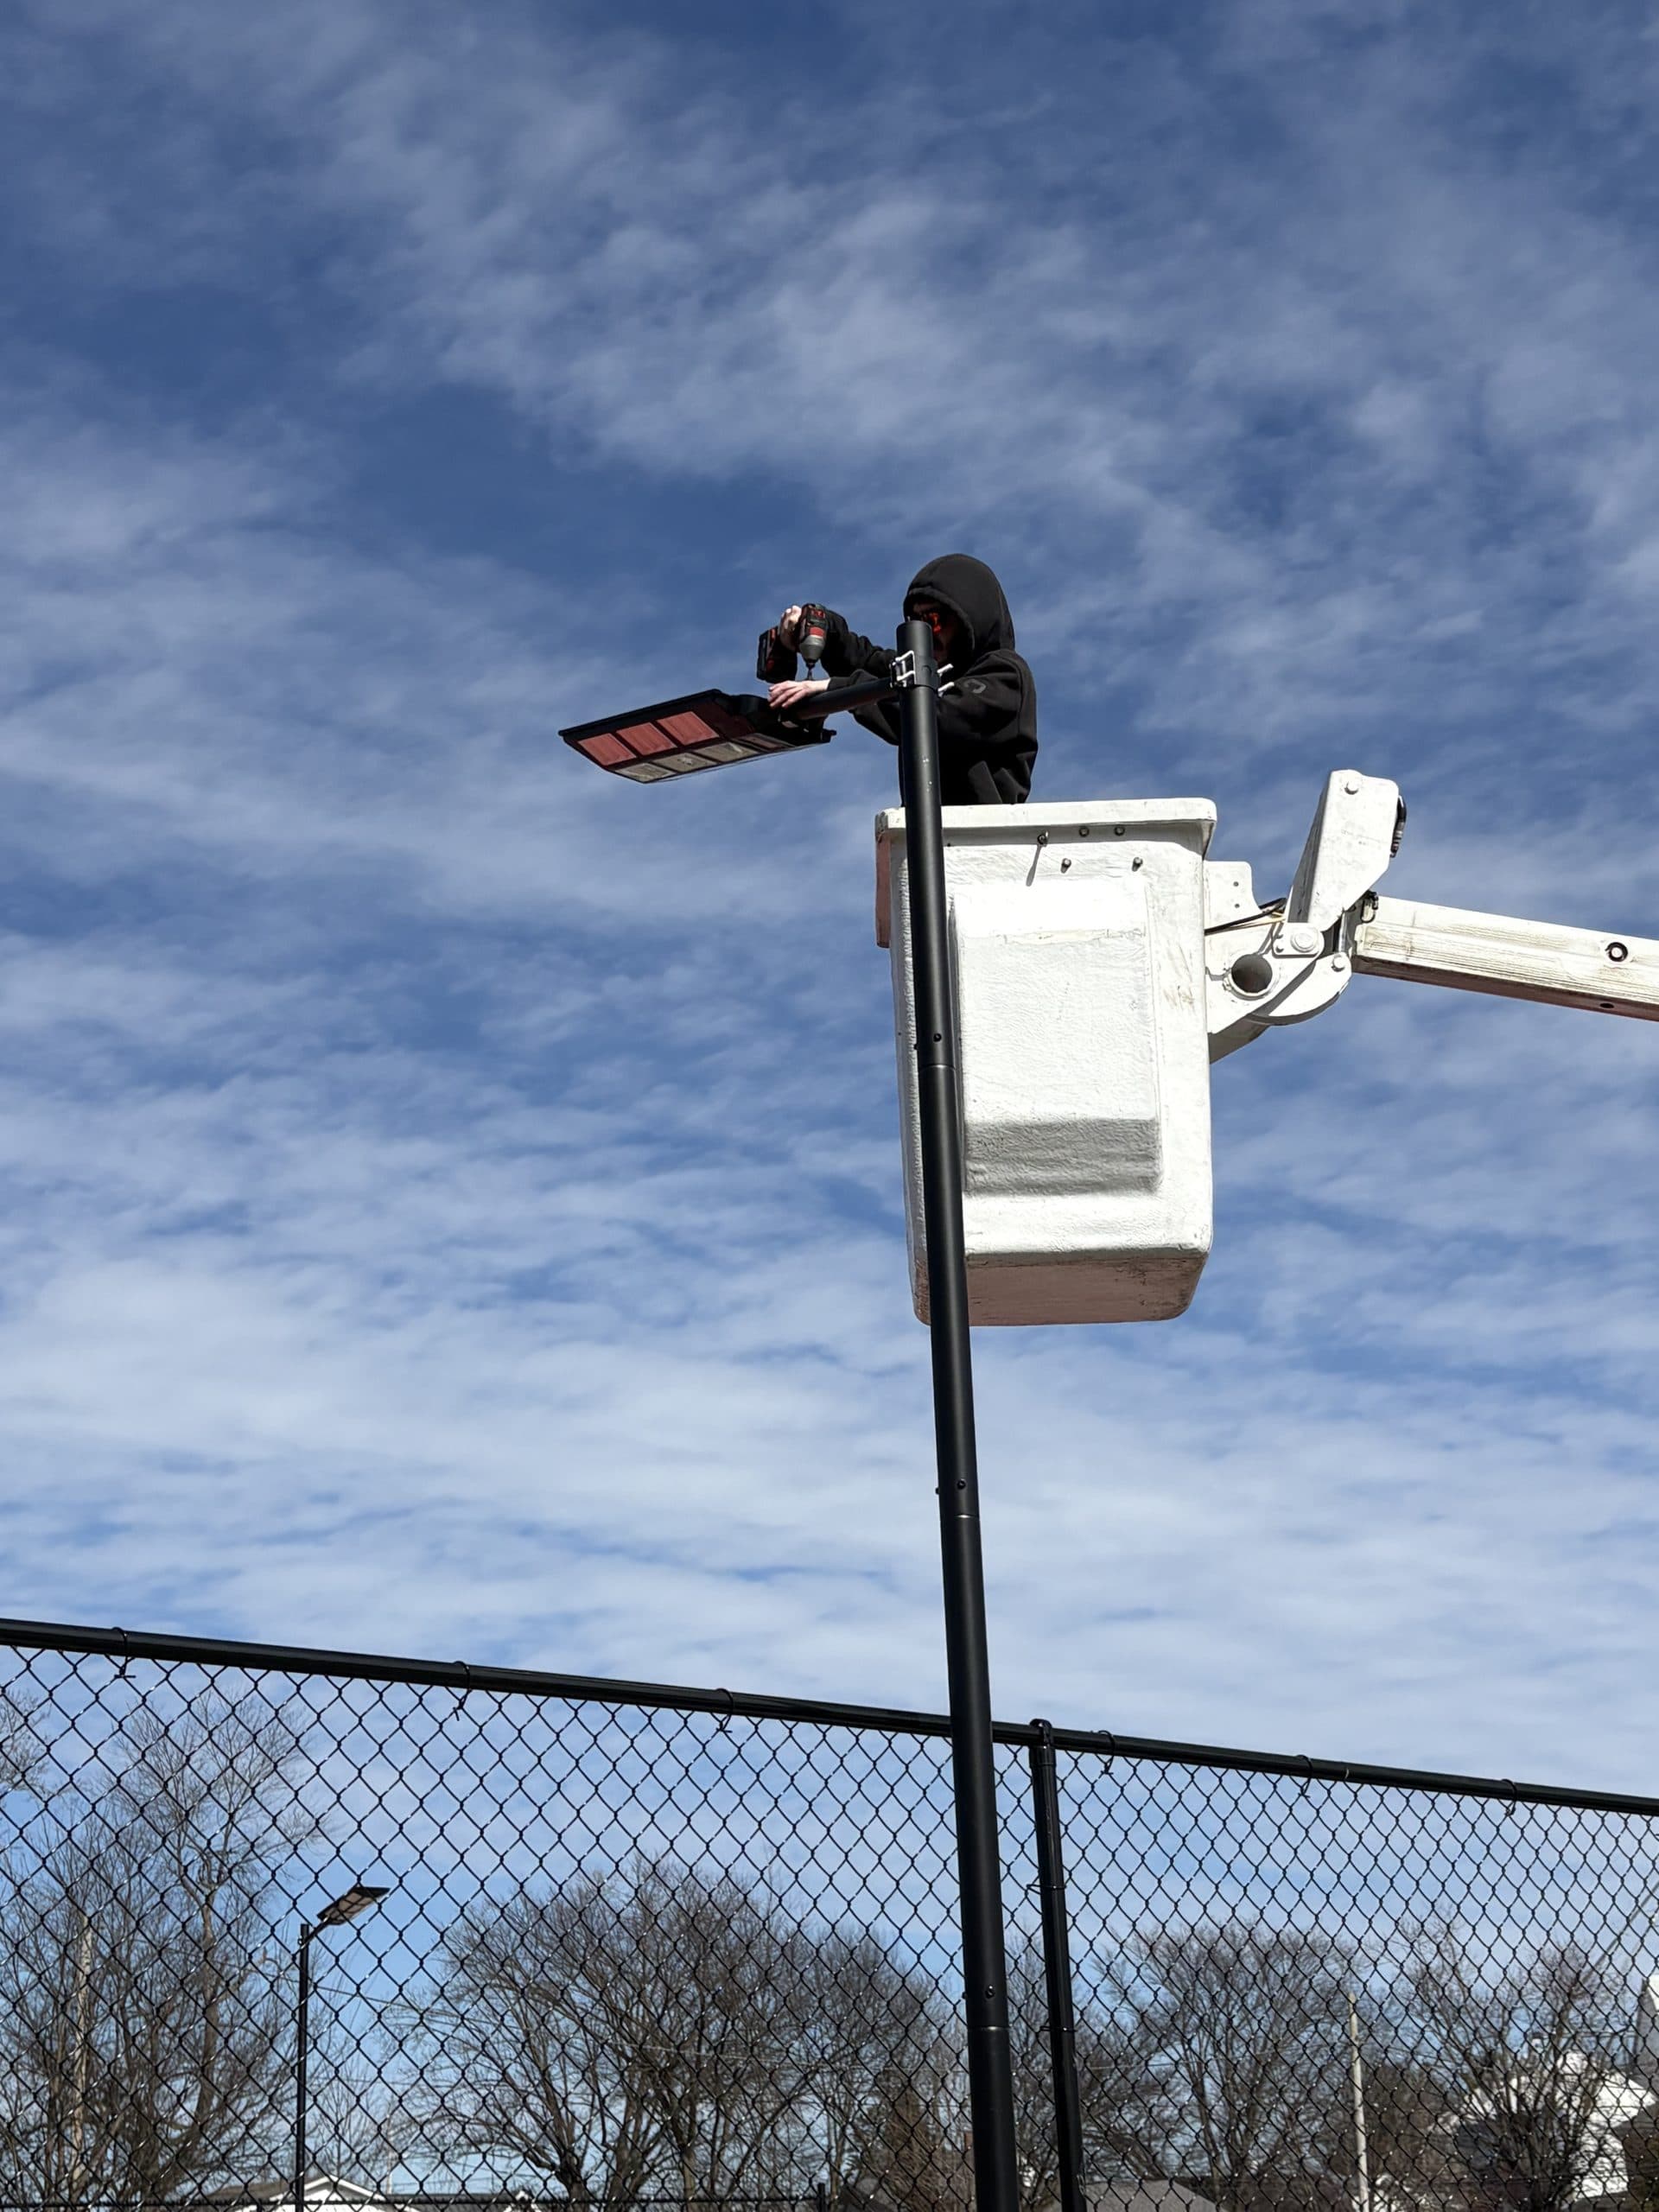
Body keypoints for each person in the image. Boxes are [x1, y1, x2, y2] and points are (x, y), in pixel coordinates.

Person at [767, 554, 1038, 804]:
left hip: (981, 836)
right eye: (917, 622)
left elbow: (932, 720)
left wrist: (840, 689)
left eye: (934, 619)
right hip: (929, 833)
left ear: (969, 618)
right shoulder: (928, 674)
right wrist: (826, 632)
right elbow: (869, 662)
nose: (927, 633)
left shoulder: (1005, 675)